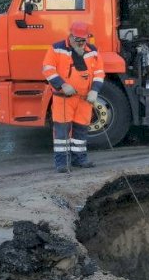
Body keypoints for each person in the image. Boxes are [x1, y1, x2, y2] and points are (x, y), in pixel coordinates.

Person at [41, 20, 105, 173]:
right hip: (63, 98)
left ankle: (80, 160)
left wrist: (94, 90)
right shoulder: (57, 48)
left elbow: (99, 72)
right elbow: (48, 69)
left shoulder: (93, 51)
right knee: (62, 132)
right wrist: (63, 85)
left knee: (81, 131)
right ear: (71, 36)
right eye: (78, 39)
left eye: (84, 39)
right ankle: (62, 163)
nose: (81, 42)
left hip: (84, 99)